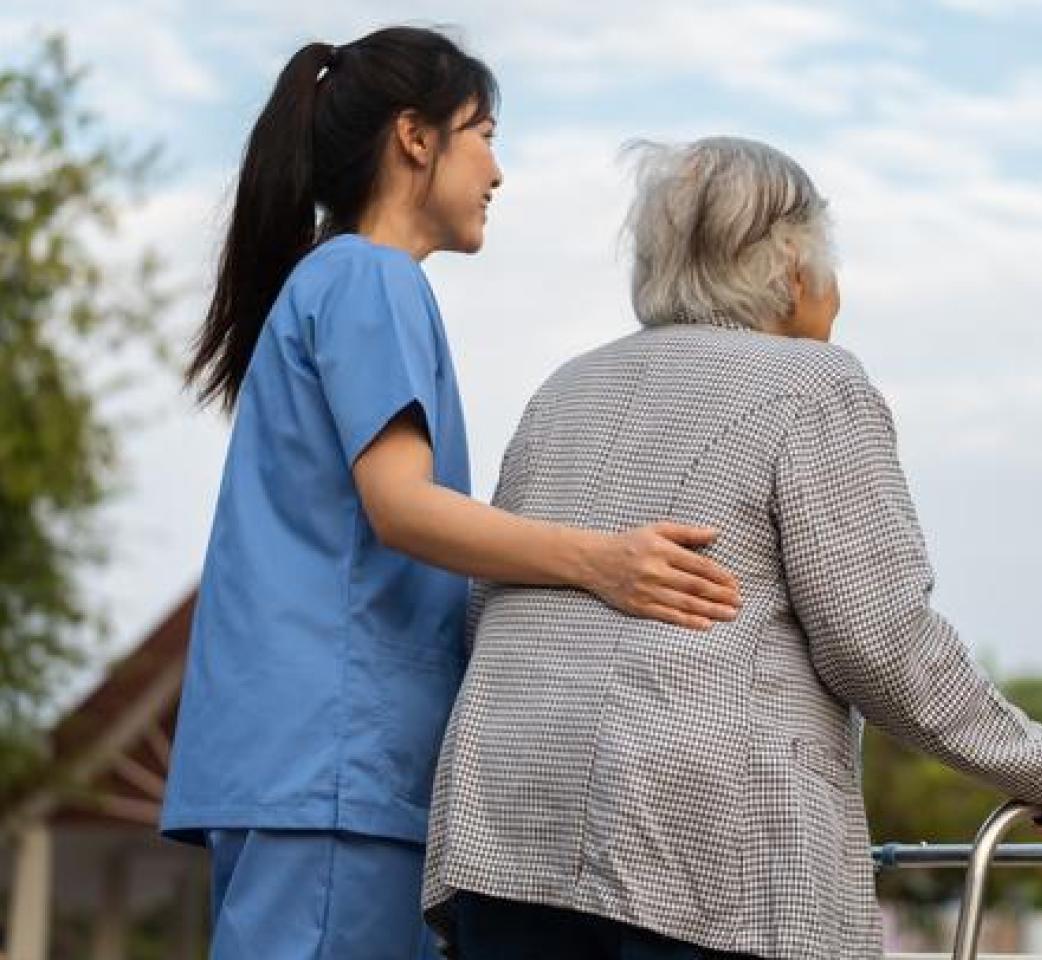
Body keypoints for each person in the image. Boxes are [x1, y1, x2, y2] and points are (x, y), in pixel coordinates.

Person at [423, 136, 1042, 960]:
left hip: (504, 823)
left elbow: (491, 605)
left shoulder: (565, 388)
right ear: (795, 269)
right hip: (692, 847)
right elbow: (883, 643)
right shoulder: (814, 385)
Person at [161, 29, 741, 959]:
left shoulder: (332, 281)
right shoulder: (369, 277)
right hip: (336, 769)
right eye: (485, 135)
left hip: (314, 768)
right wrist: (605, 562)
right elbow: (402, 506)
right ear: (414, 138)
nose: (497, 171)